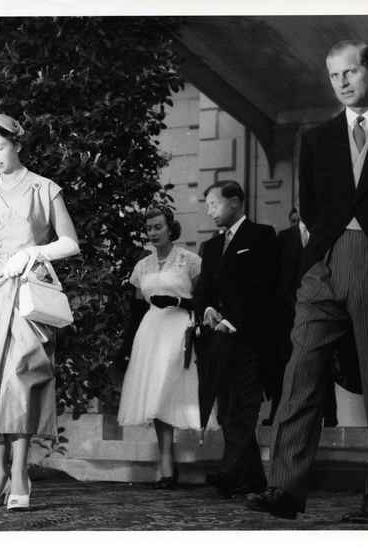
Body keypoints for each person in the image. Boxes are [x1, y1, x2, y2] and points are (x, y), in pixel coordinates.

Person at [246, 40, 368, 524]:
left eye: (351, 72)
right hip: (324, 264)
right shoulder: (315, 139)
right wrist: (321, 254)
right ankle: (284, 490)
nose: (343, 83)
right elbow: (308, 203)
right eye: (334, 76)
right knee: (300, 374)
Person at [0, 113, 80, 511]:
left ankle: (20, 473)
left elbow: (70, 242)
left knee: (20, 381)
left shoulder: (44, 188)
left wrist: (31, 252)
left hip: (28, 296)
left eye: (0, 147)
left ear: (17, 144)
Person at [193, 180, 278, 499]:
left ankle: (230, 471)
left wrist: (234, 320)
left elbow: (265, 287)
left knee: (244, 408)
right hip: (219, 342)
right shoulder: (211, 247)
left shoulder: (262, 236)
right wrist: (209, 309)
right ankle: (252, 478)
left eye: (214, 204)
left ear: (236, 202)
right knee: (227, 409)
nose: (209, 210)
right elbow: (202, 291)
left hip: (252, 339)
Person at [117, 205, 206, 488]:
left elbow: (204, 301)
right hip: (151, 332)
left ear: (170, 228)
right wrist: (126, 345)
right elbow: (135, 310)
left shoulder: (189, 261)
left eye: (158, 227)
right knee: (156, 395)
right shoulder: (142, 266)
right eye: (149, 228)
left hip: (180, 328)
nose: (153, 233)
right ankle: (166, 462)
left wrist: (177, 302)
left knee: (172, 389)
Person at [266, 215, 337, 427]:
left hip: (320, 309)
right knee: (285, 365)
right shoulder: (285, 237)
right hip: (288, 313)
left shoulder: (326, 232)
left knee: (323, 361)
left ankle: (329, 415)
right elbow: (278, 276)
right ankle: (278, 413)